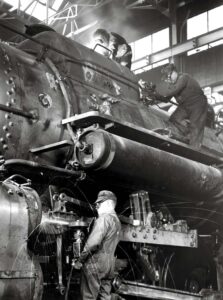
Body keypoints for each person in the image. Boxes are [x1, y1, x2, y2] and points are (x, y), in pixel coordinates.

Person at [73, 190, 121, 300]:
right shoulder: (117, 221)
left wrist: (80, 261)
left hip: (96, 265)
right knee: (105, 297)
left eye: (100, 203)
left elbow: (93, 243)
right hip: (109, 266)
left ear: (109, 203)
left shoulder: (104, 219)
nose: (97, 206)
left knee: (88, 297)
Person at [158, 63, 208, 149]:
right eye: (167, 79)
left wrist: (159, 94)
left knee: (196, 127)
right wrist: (155, 95)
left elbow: (172, 92)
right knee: (174, 119)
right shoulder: (173, 85)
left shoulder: (184, 77)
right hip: (185, 106)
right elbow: (166, 99)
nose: (169, 79)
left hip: (198, 104)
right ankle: (185, 135)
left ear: (175, 72)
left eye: (169, 76)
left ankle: (194, 150)